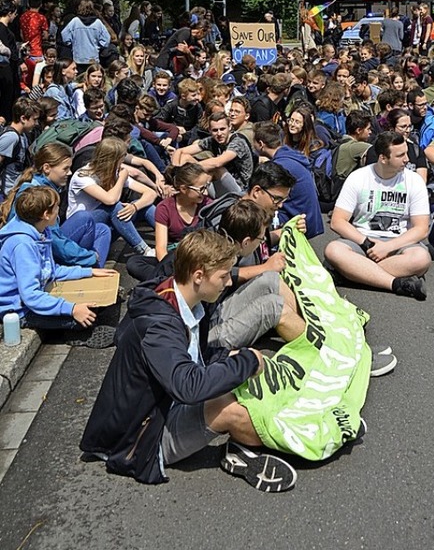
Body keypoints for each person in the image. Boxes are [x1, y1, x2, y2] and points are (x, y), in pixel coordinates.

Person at [80, 228, 298, 490]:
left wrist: (229, 358)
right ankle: (294, 441)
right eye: (224, 276)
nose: (229, 282)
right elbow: (188, 387)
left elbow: (199, 357)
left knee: (242, 379)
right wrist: (247, 363)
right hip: (141, 438)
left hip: (161, 408)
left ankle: (244, 446)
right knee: (230, 408)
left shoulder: (187, 300)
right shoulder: (160, 326)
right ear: (198, 276)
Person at [0, 187, 117, 346]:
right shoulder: (22, 245)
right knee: (83, 316)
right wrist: (72, 309)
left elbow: (52, 271)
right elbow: (30, 296)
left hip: (36, 295)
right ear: (46, 215)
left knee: (93, 304)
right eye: (56, 207)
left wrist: (88, 272)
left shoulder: (42, 232)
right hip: (20, 310)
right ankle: (76, 334)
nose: (59, 210)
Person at [325, 131, 431, 299]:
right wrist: (367, 244)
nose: (407, 159)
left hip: (399, 243)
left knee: (421, 258)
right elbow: (338, 221)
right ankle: (395, 283)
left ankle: (351, 274)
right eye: (400, 155)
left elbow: (422, 229)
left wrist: (387, 247)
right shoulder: (358, 177)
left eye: (406, 153)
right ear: (383, 158)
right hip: (363, 241)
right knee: (333, 250)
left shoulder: (414, 181)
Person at [1, 142, 111, 267]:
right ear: (47, 168)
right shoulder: (38, 194)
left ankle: (94, 273)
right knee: (84, 218)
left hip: (46, 242)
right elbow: (54, 240)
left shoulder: (43, 186)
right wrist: (90, 257)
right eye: (65, 169)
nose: (69, 173)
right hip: (38, 250)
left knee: (102, 230)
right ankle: (92, 272)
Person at [67, 138, 157, 256]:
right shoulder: (82, 176)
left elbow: (151, 193)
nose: (123, 163)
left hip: (105, 225)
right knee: (115, 206)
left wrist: (135, 207)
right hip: (82, 226)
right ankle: (143, 249)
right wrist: (121, 178)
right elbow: (110, 200)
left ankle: (171, 236)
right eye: (121, 159)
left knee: (145, 206)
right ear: (113, 160)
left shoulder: (114, 172)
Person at [252, 121, 324, 238]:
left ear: (261, 144)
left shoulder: (281, 166)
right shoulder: (290, 155)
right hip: (309, 216)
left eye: (253, 143)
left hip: (299, 219)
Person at [0, 97, 40, 198]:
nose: (36, 123)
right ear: (23, 118)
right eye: (34, 119)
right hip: (7, 193)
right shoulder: (11, 137)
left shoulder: (22, 135)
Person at [61, 0, 111, 72]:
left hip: (78, 58)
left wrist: (71, 44)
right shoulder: (98, 23)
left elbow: (65, 35)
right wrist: (99, 46)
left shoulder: (75, 21)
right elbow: (106, 39)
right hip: (93, 57)